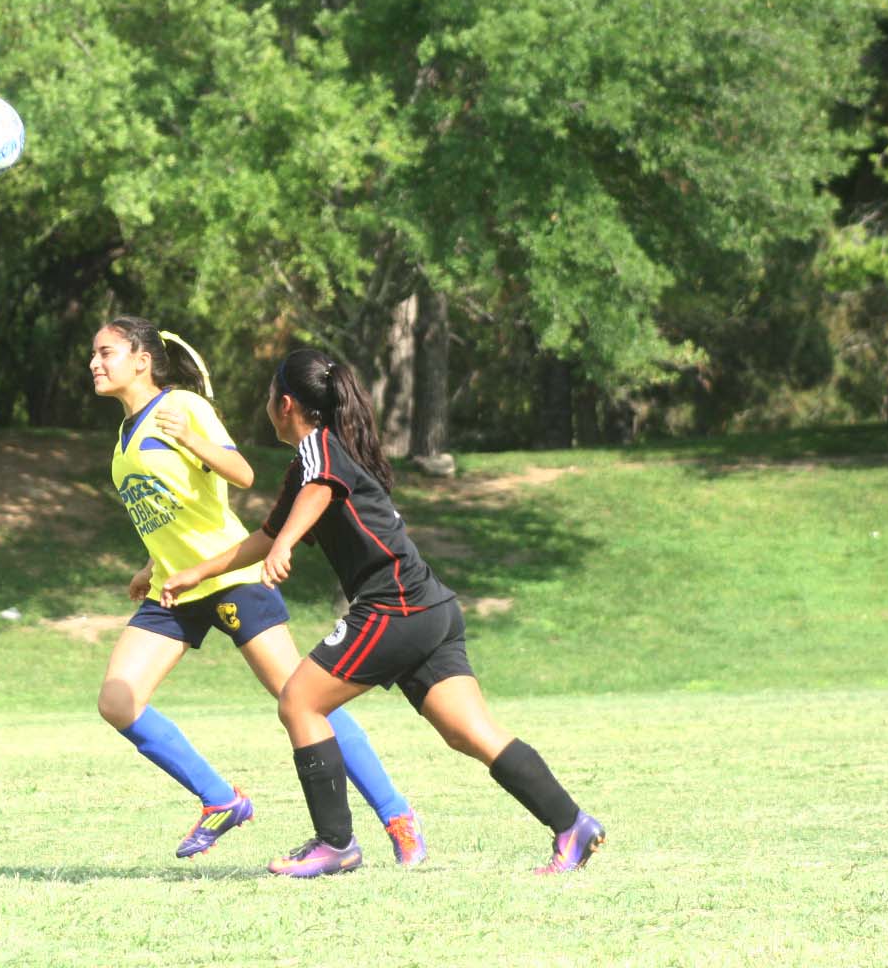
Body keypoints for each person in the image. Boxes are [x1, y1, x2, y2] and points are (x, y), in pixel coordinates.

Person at [163, 347, 606, 877]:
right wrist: (197, 572)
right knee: (470, 731)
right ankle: (571, 823)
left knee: (299, 701)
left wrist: (288, 546)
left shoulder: (319, 448)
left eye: (266, 397)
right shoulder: (318, 455)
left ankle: (336, 844)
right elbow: (265, 535)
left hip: (394, 605)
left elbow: (319, 493)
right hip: (429, 606)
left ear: (285, 404)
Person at [91, 317, 426, 864]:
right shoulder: (124, 436)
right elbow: (174, 509)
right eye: (95, 354)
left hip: (230, 576)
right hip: (175, 587)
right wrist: (150, 563)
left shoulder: (182, 408)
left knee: (306, 701)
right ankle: (221, 800)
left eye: (106, 352)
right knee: (117, 700)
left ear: (142, 359)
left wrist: (191, 437)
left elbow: (241, 475)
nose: (95, 363)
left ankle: (396, 814)